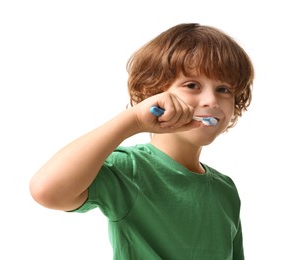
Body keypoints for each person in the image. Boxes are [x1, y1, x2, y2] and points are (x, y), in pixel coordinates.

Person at [29, 23, 254, 259]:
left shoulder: (226, 190)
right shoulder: (129, 170)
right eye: (192, 85)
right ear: (152, 93)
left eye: (224, 89)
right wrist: (133, 120)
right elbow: (46, 190)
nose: (211, 100)